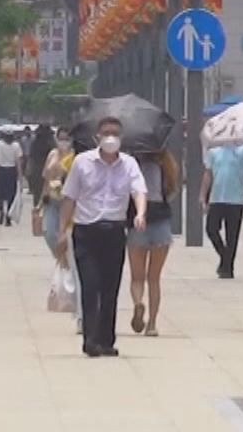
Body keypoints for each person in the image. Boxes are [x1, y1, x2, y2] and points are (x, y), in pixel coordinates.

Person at [55, 116, 148, 357]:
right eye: (106, 133)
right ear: (97, 137)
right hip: (86, 231)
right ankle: (90, 339)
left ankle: (106, 340)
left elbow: (139, 190)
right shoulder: (82, 163)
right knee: (91, 285)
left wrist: (140, 213)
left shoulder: (129, 164)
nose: (110, 138)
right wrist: (62, 231)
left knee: (110, 287)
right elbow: (69, 197)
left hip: (114, 231)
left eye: (115, 133)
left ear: (121, 137)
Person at [125, 150, 178, 337]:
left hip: (137, 221)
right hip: (161, 219)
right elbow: (171, 192)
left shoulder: (131, 164)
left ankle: (138, 303)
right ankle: (153, 324)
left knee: (137, 277)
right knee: (154, 278)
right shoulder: (166, 164)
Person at [202, 140, 243, 279]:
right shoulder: (214, 152)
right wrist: (203, 195)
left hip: (236, 198)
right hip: (217, 197)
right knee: (211, 229)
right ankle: (225, 258)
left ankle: (227, 268)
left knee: (232, 235)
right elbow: (208, 174)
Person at [35, 130, 75, 255]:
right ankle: (59, 256)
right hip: (51, 199)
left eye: (66, 139)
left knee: (66, 234)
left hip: (68, 201)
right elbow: (46, 180)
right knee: (49, 233)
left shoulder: (74, 156)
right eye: (60, 138)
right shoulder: (52, 154)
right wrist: (40, 203)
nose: (63, 142)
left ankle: (67, 259)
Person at [0, 130, 23, 226]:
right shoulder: (16, 146)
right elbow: (18, 162)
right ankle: (8, 214)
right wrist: (20, 176)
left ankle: (1, 212)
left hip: (0, 171)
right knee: (11, 195)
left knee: (0, 194)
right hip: (11, 171)